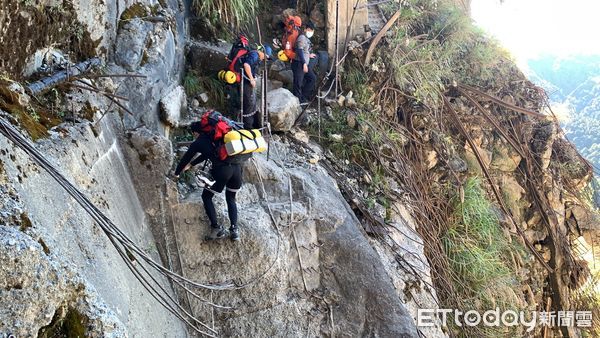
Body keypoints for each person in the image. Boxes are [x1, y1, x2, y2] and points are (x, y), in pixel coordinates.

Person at [173, 122, 243, 241]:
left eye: (193, 134)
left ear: (196, 132)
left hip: (222, 171)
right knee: (231, 198)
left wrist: (177, 173)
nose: (193, 136)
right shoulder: (216, 138)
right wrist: (192, 164)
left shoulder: (199, 142)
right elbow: (209, 153)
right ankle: (234, 230)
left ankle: (216, 228)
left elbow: (186, 157)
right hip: (237, 169)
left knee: (206, 196)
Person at [237, 48, 269, 129]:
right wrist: (251, 79)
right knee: (249, 103)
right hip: (245, 81)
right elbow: (246, 65)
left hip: (245, 81)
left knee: (251, 103)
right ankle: (248, 127)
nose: (265, 59)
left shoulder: (255, 55)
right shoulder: (255, 55)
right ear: (262, 52)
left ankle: (248, 124)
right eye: (266, 56)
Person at [292, 22, 317, 104]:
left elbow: (304, 50)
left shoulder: (306, 39)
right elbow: (299, 50)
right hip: (299, 63)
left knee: (312, 78)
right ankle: (298, 102)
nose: (310, 32)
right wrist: (304, 63)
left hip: (303, 63)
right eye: (309, 30)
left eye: (312, 30)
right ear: (305, 29)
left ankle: (303, 97)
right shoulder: (302, 37)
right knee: (298, 83)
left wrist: (308, 55)